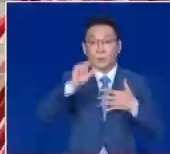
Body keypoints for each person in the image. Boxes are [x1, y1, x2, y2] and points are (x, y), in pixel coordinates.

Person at [37, 16, 162, 154]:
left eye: (107, 41)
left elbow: (155, 129)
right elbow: (44, 115)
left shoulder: (135, 82)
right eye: (93, 42)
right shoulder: (72, 78)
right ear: (85, 48)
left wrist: (133, 106)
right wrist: (71, 87)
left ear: (119, 47)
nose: (100, 49)